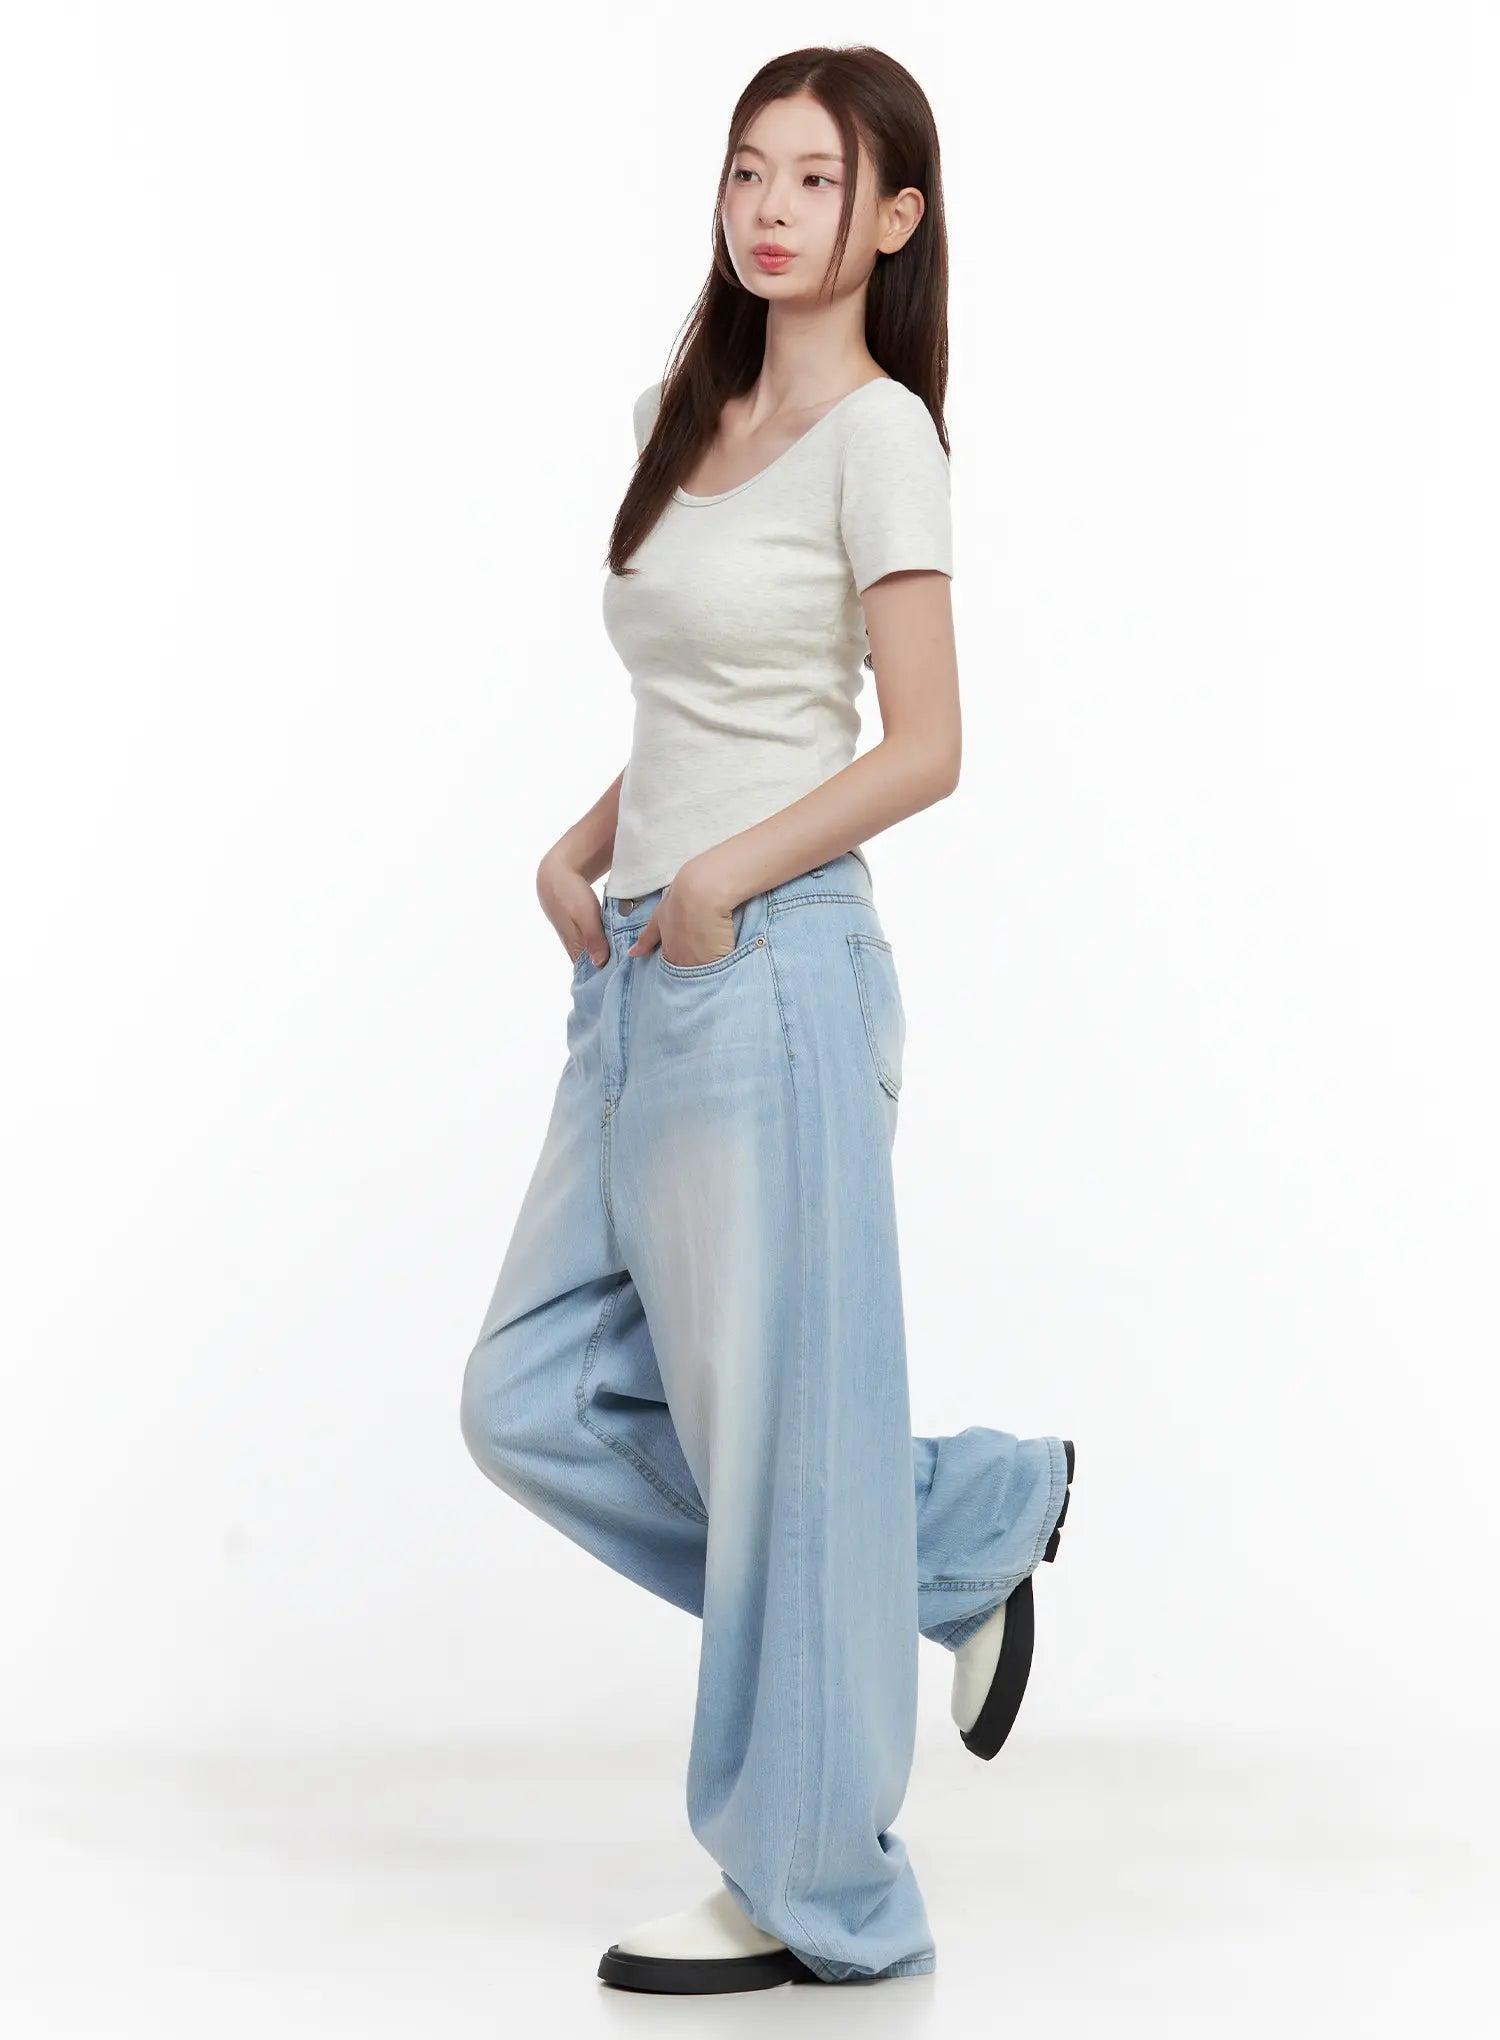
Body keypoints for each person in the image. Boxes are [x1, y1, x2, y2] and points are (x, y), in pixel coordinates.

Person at [459, 45, 1075, 1994]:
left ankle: (820, 1890)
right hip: (639, 972)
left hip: (775, 965)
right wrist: (592, 851)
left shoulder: (882, 435)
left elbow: (927, 743)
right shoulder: (685, 415)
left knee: (784, 1441)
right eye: (748, 170)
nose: (772, 207)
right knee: (530, 1395)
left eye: (817, 177)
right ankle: (955, 1527)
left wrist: (721, 880)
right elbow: (704, 703)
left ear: (893, 217)